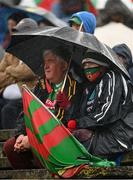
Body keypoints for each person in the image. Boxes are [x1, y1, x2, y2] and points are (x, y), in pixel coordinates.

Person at [3, 46, 81, 169]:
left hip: (58, 141)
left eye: (50, 61)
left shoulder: (75, 88)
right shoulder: (40, 86)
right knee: (10, 147)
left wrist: (68, 106)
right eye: (45, 62)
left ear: (64, 65)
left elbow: (72, 123)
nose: (46, 66)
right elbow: (25, 114)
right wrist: (21, 135)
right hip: (36, 137)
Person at [68, 49, 133, 161]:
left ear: (102, 66)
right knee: (69, 138)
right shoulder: (89, 86)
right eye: (85, 65)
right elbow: (83, 114)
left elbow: (107, 112)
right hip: (101, 134)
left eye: (91, 64)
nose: (87, 68)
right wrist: (68, 109)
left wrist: (78, 123)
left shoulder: (113, 77)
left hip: (119, 137)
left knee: (71, 147)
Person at [0, 18, 38, 129]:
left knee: (8, 110)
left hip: (29, 93)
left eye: (22, 31)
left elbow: (28, 72)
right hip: (8, 92)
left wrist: (9, 70)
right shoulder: (11, 51)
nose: (18, 35)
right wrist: (14, 76)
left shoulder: (37, 50)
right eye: (18, 31)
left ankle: (12, 139)